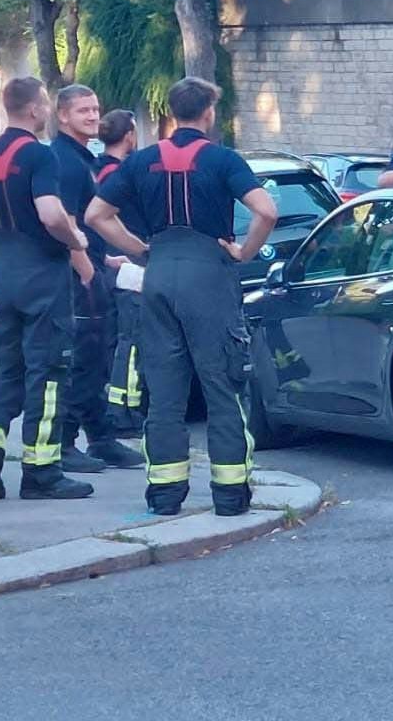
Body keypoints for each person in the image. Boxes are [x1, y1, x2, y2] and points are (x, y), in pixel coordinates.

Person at [88, 78, 278, 517]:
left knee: (165, 391)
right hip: (208, 275)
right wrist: (244, 252)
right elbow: (266, 210)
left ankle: (166, 495)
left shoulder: (141, 162)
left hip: (159, 274)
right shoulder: (222, 159)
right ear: (208, 112)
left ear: (172, 112)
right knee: (221, 386)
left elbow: (97, 215)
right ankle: (230, 496)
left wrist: (140, 251)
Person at [0, 78, 95, 501]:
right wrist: (77, 241)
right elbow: (51, 213)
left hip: (6, 271)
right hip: (43, 273)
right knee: (49, 372)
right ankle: (42, 472)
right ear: (36, 109)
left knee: (6, 368)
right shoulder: (40, 155)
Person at [49, 85, 144, 472]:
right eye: (83, 111)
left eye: (95, 109)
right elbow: (66, 226)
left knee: (96, 360)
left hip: (95, 269)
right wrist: (89, 275)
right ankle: (66, 442)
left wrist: (109, 260)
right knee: (82, 360)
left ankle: (101, 438)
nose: (92, 116)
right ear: (62, 117)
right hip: (78, 282)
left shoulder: (81, 158)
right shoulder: (66, 163)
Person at [95, 109, 146, 436]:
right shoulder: (122, 174)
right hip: (129, 263)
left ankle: (118, 405)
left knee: (118, 338)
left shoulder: (98, 169)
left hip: (110, 265)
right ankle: (124, 410)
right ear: (129, 135)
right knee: (132, 338)